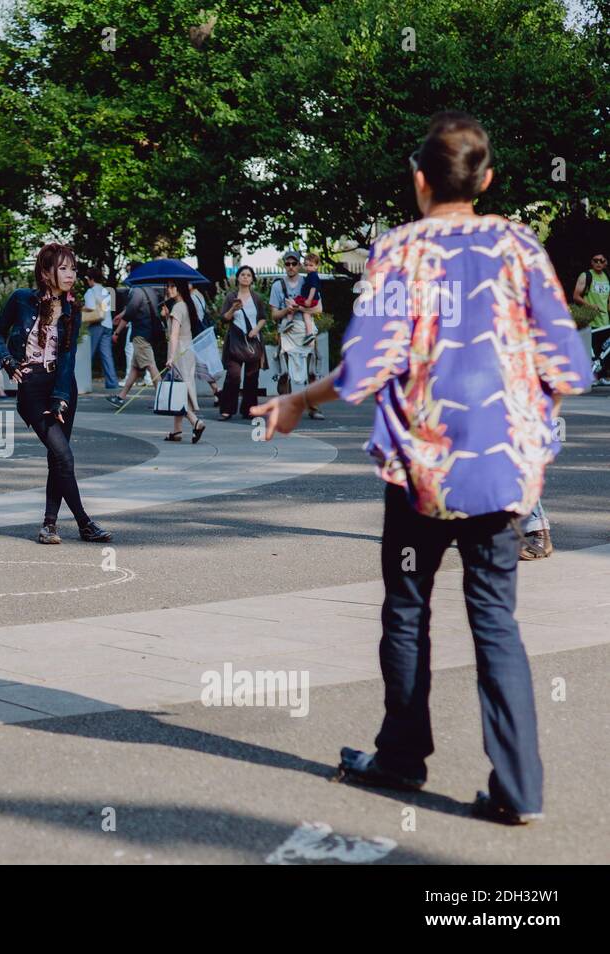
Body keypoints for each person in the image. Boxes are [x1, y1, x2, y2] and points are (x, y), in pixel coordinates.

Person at [251, 112, 593, 825]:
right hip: (501, 475)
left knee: (407, 611)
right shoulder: (519, 246)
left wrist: (296, 402)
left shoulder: (399, 253)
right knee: (496, 620)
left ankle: (403, 756)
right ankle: (520, 786)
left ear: (419, 179)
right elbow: (570, 363)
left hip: (422, 472)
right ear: (488, 179)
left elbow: (364, 368)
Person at [0, 243, 112, 545]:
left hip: (61, 387)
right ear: (46, 272)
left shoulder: (71, 309)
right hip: (32, 387)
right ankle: (85, 523)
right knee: (64, 456)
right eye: (63, 268)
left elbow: (68, 356)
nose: (71, 274)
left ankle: (49, 525)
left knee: (57, 459)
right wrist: (7, 362)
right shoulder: (21, 299)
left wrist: (62, 397)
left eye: (73, 268)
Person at [269, 251, 325, 418]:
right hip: (287, 331)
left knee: (312, 370)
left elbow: (319, 308)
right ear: (284, 265)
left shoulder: (308, 280)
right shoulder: (278, 286)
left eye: (294, 264)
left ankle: (313, 407)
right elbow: (273, 315)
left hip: (305, 330)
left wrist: (299, 308)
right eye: (288, 264)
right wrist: (287, 309)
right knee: (284, 372)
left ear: (299, 265)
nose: (291, 267)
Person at [106, 265, 165, 409]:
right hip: (148, 333)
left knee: (151, 366)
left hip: (140, 334)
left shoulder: (137, 291)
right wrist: (121, 315)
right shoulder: (150, 290)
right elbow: (132, 310)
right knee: (135, 368)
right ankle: (121, 397)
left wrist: (116, 333)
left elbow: (129, 314)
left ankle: (163, 399)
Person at [161, 279, 208, 443]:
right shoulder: (186, 305)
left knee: (177, 390)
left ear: (180, 288)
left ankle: (195, 421)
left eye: (173, 286)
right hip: (187, 350)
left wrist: (171, 357)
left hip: (179, 350)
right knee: (180, 389)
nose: (169, 289)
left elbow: (174, 335)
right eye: (168, 286)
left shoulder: (178, 307)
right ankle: (177, 431)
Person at [218, 265, 268, 420]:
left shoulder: (257, 298)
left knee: (252, 377)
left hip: (253, 341)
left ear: (252, 279)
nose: (245, 277)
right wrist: (233, 308)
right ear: (238, 278)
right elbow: (224, 319)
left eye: (248, 275)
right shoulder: (230, 297)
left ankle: (249, 409)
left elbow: (263, 318)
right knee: (233, 376)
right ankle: (227, 410)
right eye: (243, 274)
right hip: (235, 341)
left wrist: (256, 330)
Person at [572, 250, 610, 385]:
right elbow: (576, 296)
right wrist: (590, 306)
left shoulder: (607, 276)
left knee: (604, 351)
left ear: (606, 263)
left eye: (602, 260)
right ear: (591, 262)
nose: (599, 263)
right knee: (591, 351)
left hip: (605, 321)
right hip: (590, 320)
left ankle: (602, 377)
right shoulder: (586, 276)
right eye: (596, 260)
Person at [82, 267, 119, 389]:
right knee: (107, 355)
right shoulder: (105, 290)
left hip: (96, 324)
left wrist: (80, 308)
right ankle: (112, 383)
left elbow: (91, 307)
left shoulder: (91, 292)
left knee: (88, 354)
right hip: (107, 324)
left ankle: (83, 381)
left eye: (87, 278)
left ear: (91, 279)